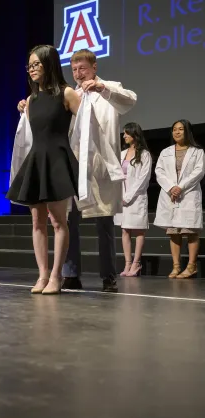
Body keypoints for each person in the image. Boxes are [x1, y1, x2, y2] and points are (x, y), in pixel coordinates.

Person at [18, 48, 137, 292]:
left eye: (82, 68)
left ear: (94, 68)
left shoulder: (108, 88)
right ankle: (69, 273)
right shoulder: (64, 93)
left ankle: (108, 276)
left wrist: (103, 90)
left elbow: (129, 101)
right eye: (74, 69)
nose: (78, 73)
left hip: (98, 166)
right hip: (68, 164)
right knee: (66, 220)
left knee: (103, 223)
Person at [7, 45, 81, 294]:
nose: (32, 69)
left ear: (50, 64)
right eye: (29, 65)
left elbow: (87, 128)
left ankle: (57, 276)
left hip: (58, 160)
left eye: (37, 64)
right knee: (37, 221)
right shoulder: (31, 99)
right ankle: (42, 275)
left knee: (59, 221)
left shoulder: (67, 93)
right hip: (37, 160)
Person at [154, 120, 204, 279]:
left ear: (187, 131)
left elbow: (198, 172)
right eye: (174, 129)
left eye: (181, 129)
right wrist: (171, 188)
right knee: (174, 231)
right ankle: (176, 267)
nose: (177, 132)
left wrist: (180, 187)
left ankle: (191, 266)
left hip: (188, 194)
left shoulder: (197, 152)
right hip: (171, 195)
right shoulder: (165, 152)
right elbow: (159, 171)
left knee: (190, 230)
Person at [114, 122, 152, 277]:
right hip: (121, 197)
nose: (124, 136)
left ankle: (136, 263)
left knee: (138, 230)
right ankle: (127, 263)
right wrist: (119, 196)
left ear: (134, 134)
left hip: (136, 197)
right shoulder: (122, 154)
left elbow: (143, 179)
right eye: (124, 133)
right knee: (125, 230)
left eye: (126, 133)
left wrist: (128, 196)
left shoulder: (144, 154)